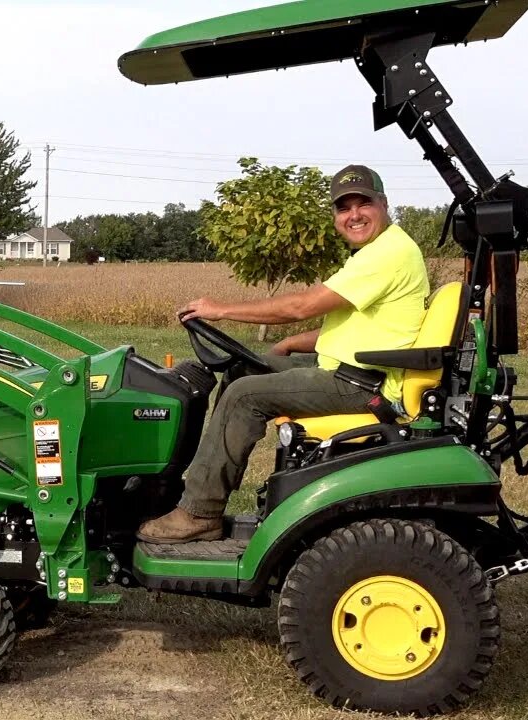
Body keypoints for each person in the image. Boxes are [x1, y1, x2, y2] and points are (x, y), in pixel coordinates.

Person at [138, 165, 430, 544]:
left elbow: (300, 307)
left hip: (364, 385)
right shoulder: (378, 251)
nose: (354, 215)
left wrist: (220, 309)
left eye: (364, 204)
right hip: (348, 368)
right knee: (243, 368)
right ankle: (190, 483)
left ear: (384, 204)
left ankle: (198, 512)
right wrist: (292, 344)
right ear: (335, 215)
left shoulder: (388, 253)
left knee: (244, 395)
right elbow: (355, 324)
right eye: (344, 208)